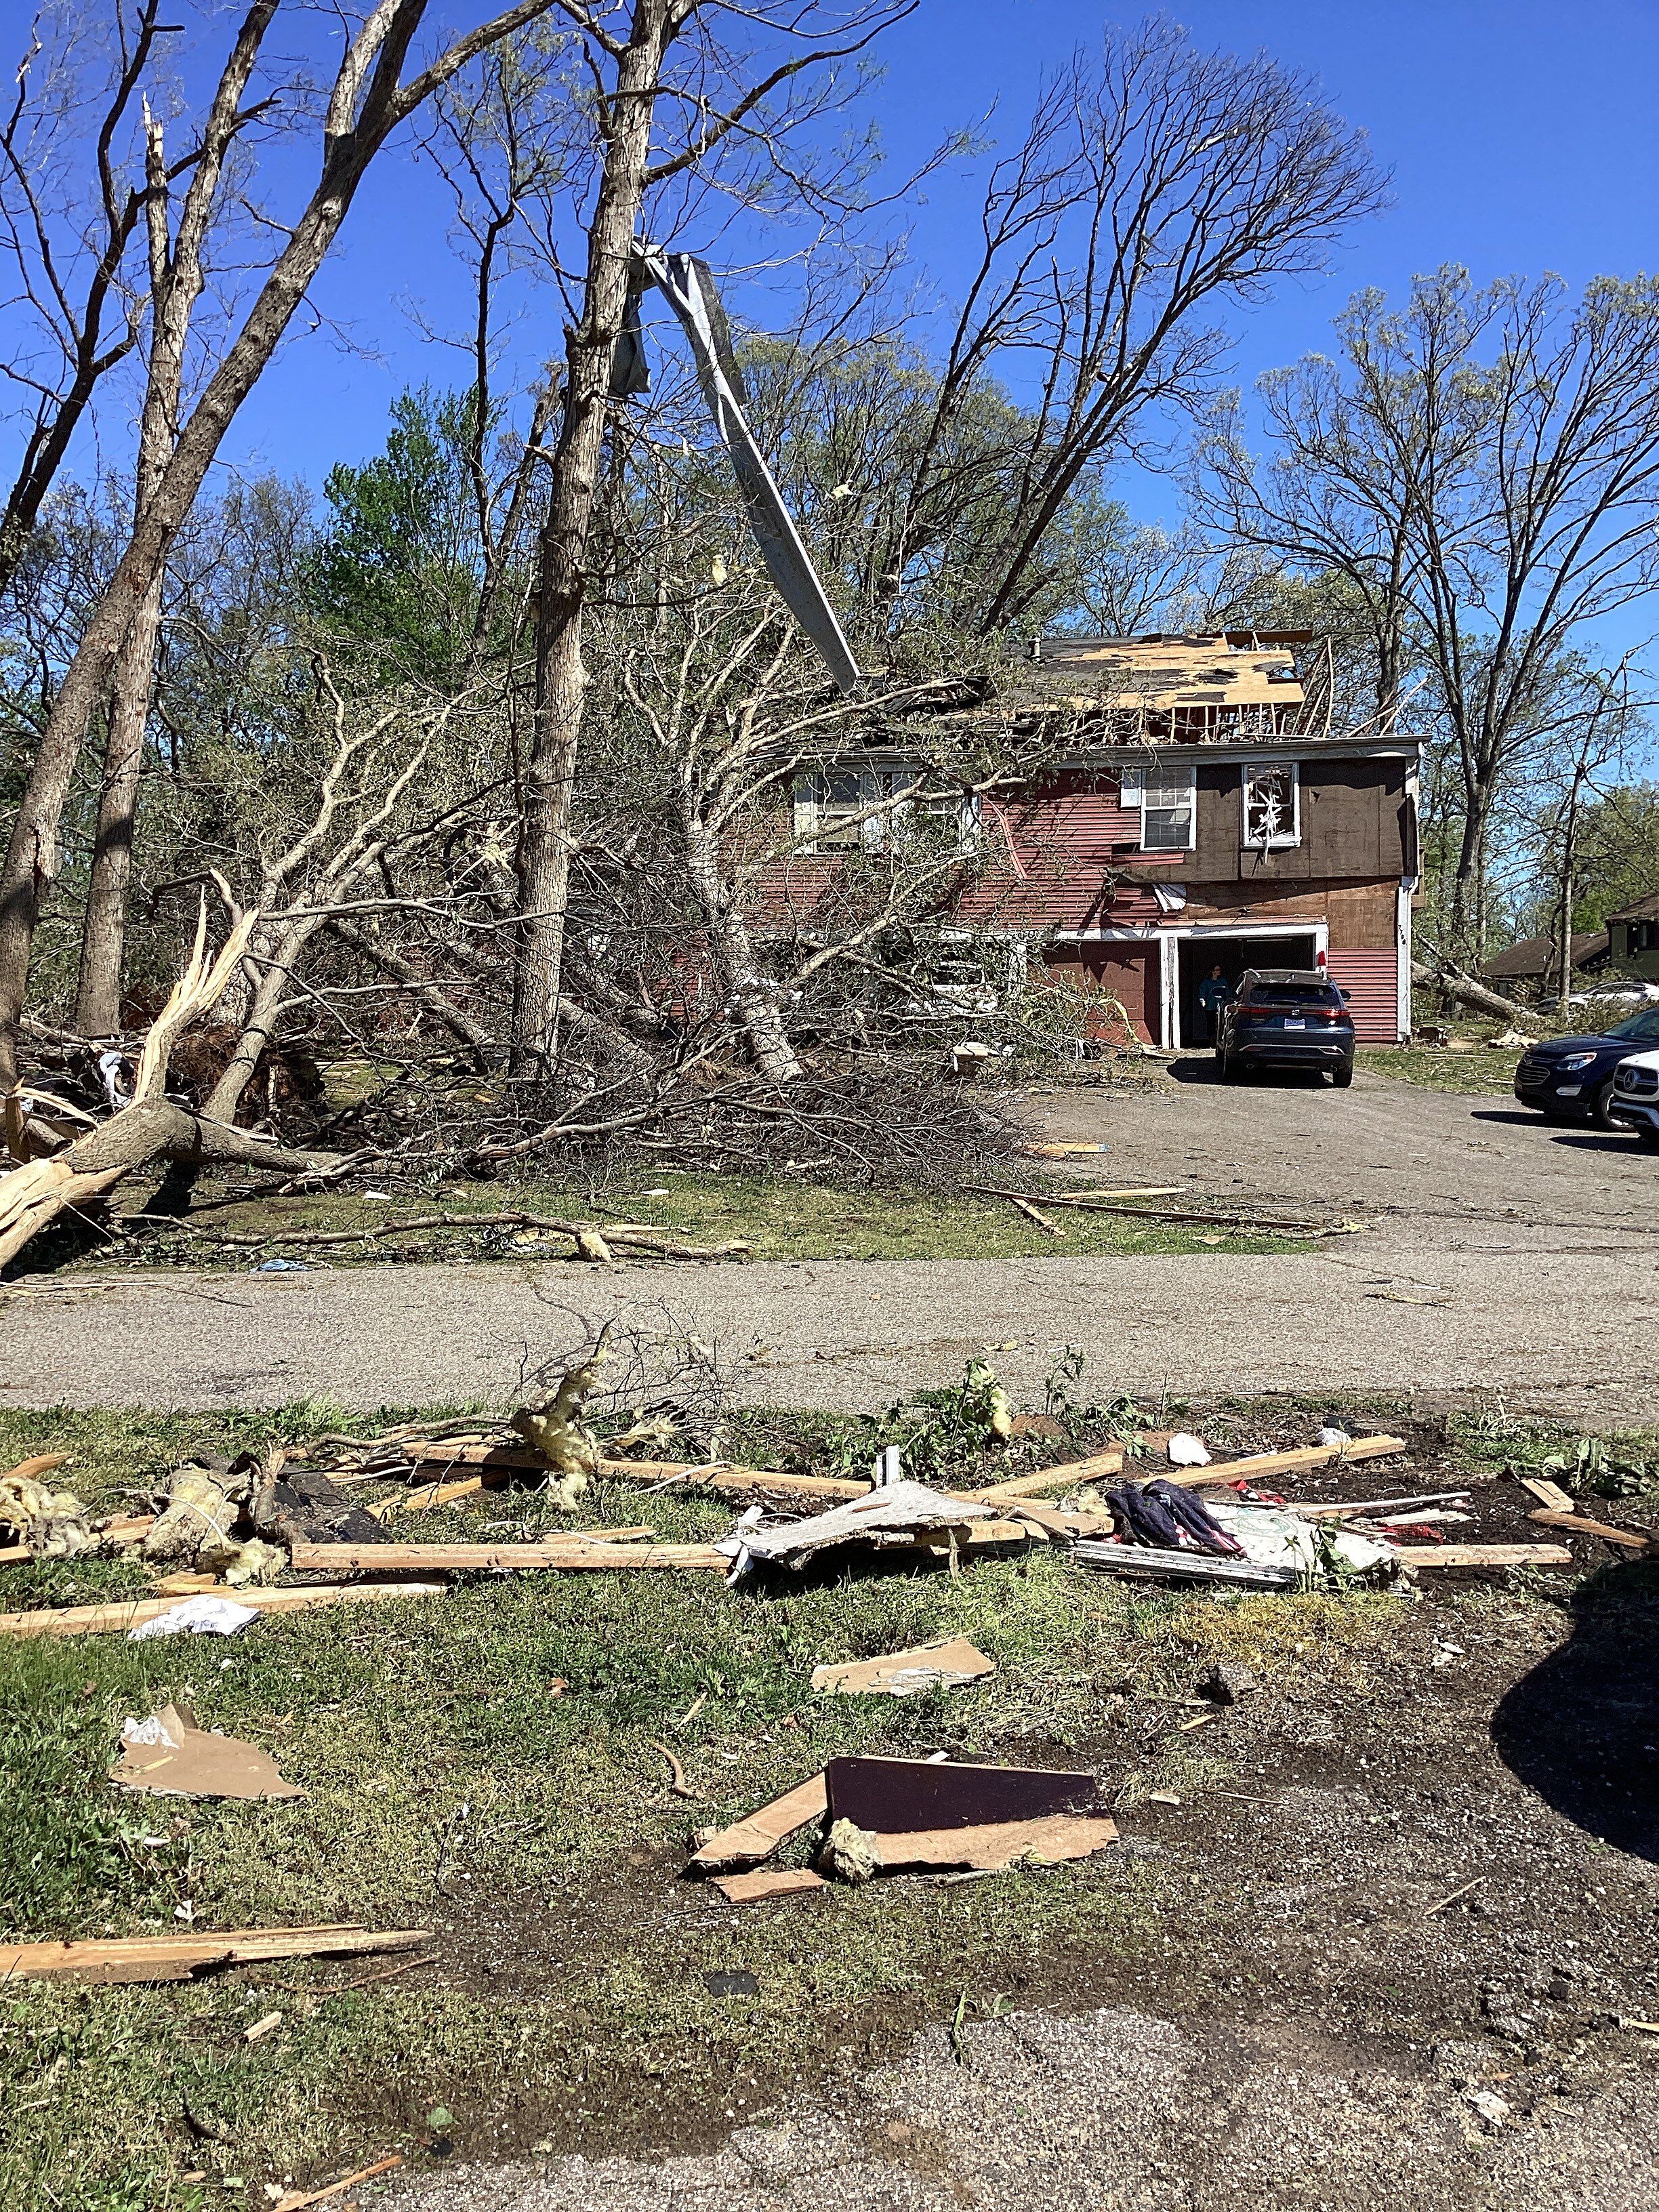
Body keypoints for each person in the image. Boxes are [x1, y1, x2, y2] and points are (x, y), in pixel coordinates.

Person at [1197, 962, 1233, 1048]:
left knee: (1221, 1024)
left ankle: (1219, 1041)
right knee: (1211, 1024)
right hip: (1210, 1006)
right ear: (1213, 972)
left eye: (1219, 970)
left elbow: (1227, 992)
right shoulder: (1206, 982)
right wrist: (1202, 1000)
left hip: (1221, 1006)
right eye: (1217, 970)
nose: (1219, 971)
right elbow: (1202, 992)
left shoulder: (1223, 981)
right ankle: (1211, 1041)